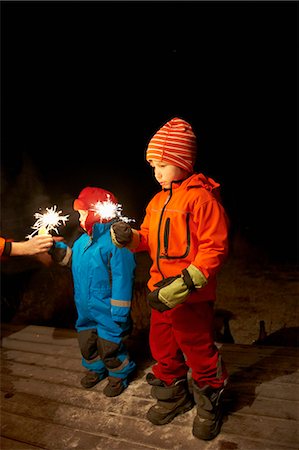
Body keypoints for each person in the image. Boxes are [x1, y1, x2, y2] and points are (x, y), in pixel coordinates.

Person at [110, 117, 229, 440]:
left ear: (182, 162)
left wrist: (186, 283)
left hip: (190, 296)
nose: (156, 172)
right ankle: (173, 395)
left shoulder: (201, 198)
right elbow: (147, 238)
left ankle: (209, 401)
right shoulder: (158, 200)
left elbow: (214, 248)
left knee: (198, 348)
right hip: (158, 294)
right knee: (162, 347)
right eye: (152, 166)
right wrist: (129, 237)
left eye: (163, 164)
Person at [49, 186, 137, 397]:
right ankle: (95, 368)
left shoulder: (116, 244)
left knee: (110, 344)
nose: (78, 218)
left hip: (107, 307)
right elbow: (72, 261)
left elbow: (123, 277)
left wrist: (120, 310)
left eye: (82, 213)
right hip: (85, 306)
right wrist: (56, 250)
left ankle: (119, 374)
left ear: (95, 213)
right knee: (86, 341)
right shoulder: (81, 242)